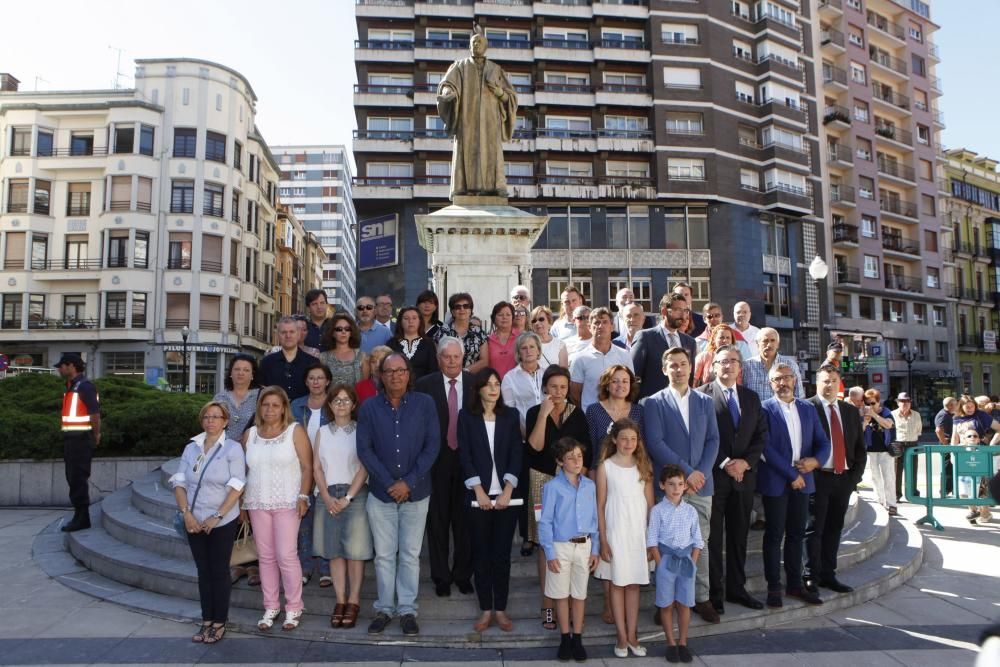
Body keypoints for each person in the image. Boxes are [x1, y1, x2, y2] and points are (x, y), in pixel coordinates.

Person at [357, 353, 440, 636]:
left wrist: (408, 482)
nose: (395, 376)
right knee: (383, 555)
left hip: (417, 493)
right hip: (381, 494)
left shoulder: (424, 404)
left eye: (400, 370)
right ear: (380, 376)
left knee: (409, 555)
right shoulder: (368, 408)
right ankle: (383, 608)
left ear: (408, 374)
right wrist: (390, 482)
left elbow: (432, 446)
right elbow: (364, 449)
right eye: (389, 371)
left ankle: (407, 610)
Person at [640, 346, 720, 624]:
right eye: (672, 365)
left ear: (690, 367)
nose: (678, 369)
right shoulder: (652, 403)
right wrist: (687, 473)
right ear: (664, 369)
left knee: (701, 544)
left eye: (683, 364)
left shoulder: (705, 402)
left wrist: (701, 474)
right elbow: (655, 443)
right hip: (669, 487)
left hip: (700, 486)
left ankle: (701, 597)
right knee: (666, 545)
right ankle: (665, 600)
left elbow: (713, 440)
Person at [696, 345, 767, 613]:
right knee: (713, 538)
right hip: (715, 477)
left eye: (733, 361)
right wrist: (726, 462)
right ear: (714, 366)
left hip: (744, 478)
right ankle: (714, 592)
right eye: (723, 362)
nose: (728, 366)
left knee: (739, 536)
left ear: (740, 367)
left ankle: (737, 589)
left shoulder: (751, 397)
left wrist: (745, 463)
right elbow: (702, 437)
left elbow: (760, 435)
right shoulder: (701, 396)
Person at [170, 401, 245, 644]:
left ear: (225, 421)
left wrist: (219, 515)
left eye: (216, 417)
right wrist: (186, 513)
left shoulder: (233, 448)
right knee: (203, 571)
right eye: (207, 416)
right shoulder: (192, 447)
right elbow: (179, 481)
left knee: (219, 571)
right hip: (194, 518)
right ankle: (206, 620)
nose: (211, 420)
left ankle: (220, 621)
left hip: (222, 519)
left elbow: (237, 485)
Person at [242, 386, 314, 632]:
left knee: (286, 555)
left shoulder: (295, 431)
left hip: (288, 501)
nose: (270, 409)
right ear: (259, 407)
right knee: (266, 556)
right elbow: (243, 471)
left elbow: (307, 466)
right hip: (257, 502)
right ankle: (271, 605)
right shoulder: (250, 434)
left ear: (284, 407)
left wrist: (303, 496)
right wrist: (241, 502)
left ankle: (294, 606)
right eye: (265, 404)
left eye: (275, 405)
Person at [525, 365, 592, 631]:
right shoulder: (534, 412)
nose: (559, 392)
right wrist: (543, 415)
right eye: (553, 387)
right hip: (542, 482)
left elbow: (585, 455)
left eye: (563, 387)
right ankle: (548, 606)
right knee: (546, 545)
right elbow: (536, 447)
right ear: (544, 388)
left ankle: (572, 607)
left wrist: (577, 483)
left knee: (570, 543)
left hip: (571, 485)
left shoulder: (578, 415)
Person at [758, 363, 830, 608]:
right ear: (771, 384)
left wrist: (816, 461)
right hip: (777, 481)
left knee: (797, 535)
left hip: (804, 481)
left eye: (787, 378)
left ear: (795, 381)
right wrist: (791, 474)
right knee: (774, 535)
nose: (783, 383)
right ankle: (774, 587)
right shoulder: (764, 409)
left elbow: (823, 442)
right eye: (778, 379)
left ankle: (795, 584)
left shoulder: (808, 408)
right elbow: (765, 448)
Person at [458, 368, 523, 633]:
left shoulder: (510, 416)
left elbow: (517, 453)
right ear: (479, 389)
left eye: (497, 384)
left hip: (507, 498)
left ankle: (502, 610)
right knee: (481, 554)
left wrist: (508, 489)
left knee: (502, 555)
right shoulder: (466, 417)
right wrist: (479, 491)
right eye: (489, 384)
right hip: (478, 498)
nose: (494, 388)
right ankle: (486, 609)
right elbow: (465, 455)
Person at [414, 337, 474, 599]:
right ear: (438, 359)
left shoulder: (475, 384)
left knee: (465, 523)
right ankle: (440, 576)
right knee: (437, 522)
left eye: (456, 357)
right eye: (446, 357)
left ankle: (462, 575)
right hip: (435, 461)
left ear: (463, 358)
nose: (451, 362)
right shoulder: (423, 386)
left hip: (467, 460)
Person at [312, 384, 372, 630]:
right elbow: (316, 467)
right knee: (334, 551)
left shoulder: (361, 431)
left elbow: (364, 466)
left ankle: (354, 601)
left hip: (355, 494)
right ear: (330, 405)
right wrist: (325, 496)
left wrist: (347, 497)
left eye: (346, 400)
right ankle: (340, 601)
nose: (341, 404)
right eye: (336, 400)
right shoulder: (322, 432)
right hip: (327, 494)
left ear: (354, 404)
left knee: (355, 552)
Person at [804, 364, 867, 596]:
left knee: (834, 529)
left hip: (843, 479)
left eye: (833, 380)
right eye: (824, 380)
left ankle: (828, 574)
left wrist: (853, 479)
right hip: (818, 478)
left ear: (839, 383)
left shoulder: (850, 411)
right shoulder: (807, 407)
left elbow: (860, 449)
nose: (829, 384)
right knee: (814, 529)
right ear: (816, 383)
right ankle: (810, 575)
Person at [594, 418, 653, 658]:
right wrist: (603, 540)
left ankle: (633, 634)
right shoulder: (605, 467)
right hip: (615, 531)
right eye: (624, 438)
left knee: (633, 584)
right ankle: (620, 635)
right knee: (617, 584)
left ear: (638, 442)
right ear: (614, 440)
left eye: (633, 438)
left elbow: (650, 505)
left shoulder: (644, 466)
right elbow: (600, 505)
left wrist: (652, 539)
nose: (628, 443)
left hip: (638, 532)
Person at [538, 437, 599, 663]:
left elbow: (595, 519)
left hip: (584, 545)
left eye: (579, 456)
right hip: (561, 546)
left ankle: (578, 638)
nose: (576, 460)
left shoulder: (590, 486)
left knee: (580, 594)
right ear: (560, 461)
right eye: (570, 457)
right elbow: (545, 522)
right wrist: (550, 553)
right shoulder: (552, 487)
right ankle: (565, 637)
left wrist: (596, 549)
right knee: (561, 595)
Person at [436, 28, 517, 198]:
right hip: (468, 119)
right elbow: (447, 83)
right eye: (473, 42)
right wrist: (446, 93)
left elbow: (511, 97)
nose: (476, 44)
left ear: (485, 46)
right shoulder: (460, 66)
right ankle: (464, 188)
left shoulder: (496, 69)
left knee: (492, 152)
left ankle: (495, 188)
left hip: (490, 122)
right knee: (466, 151)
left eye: (479, 42)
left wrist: (499, 93)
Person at [647, 464, 704, 665]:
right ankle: (670, 643)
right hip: (666, 561)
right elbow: (652, 539)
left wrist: (693, 562)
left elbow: (698, 540)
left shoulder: (691, 511)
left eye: (680, 484)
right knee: (667, 603)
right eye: (671, 484)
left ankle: (682, 642)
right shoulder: (657, 511)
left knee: (684, 603)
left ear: (685, 487)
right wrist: (661, 563)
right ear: (662, 485)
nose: (676, 488)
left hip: (686, 562)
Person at [290, 363, 333, 588]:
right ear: (306, 382)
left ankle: (326, 568)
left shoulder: (336, 404)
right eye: (311, 378)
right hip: (301, 469)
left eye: (320, 378)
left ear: (327, 381)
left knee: (325, 520)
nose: (316, 382)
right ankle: (305, 567)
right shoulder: (295, 405)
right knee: (304, 521)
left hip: (329, 470)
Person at [55, 354, 100, 532]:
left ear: (72, 366)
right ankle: (79, 515)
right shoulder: (72, 387)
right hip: (72, 439)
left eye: (62, 366)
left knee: (78, 478)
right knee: (73, 478)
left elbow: (95, 414)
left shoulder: (85, 387)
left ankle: (82, 518)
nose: (60, 369)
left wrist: (96, 435)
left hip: (81, 439)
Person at [631, 293, 697, 399]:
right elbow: (633, 375)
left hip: (682, 404)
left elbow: (689, 377)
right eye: (678, 310)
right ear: (664, 311)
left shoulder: (690, 342)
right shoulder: (645, 337)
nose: (683, 315)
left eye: (685, 310)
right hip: (652, 404)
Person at [569, 307, 633, 412]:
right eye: (597, 322)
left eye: (605, 322)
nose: (600, 326)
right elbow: (575, 393)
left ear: (612, 327)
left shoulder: (624, 355)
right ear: (589, 327)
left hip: (619, 416)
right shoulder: (580, 358)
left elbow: (630, 386)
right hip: (590, 418)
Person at [951, 394, 1000, 524]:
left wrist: (991, 445)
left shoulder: (981, 415)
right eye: (967, 407)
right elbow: (954, 437)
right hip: (963, 454)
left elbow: (999, 428)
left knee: (981, 485)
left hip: (981, 453)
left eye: (972, 406)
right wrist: (952, 452)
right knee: (964, 485)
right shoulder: (956, 418)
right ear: (961, 407)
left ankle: (985, 512)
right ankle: (972, 510)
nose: (970, 409)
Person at [585, 365, 643, 470]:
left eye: (625, 381)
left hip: (632, 471)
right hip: (602, 472)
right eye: (615, 381)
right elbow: (591, 449)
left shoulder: (639, 411)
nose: (620, 385)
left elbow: (642, 448)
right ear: (606, 385)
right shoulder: (594, 410)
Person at [740, 328, 804, 401]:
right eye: (765, 341)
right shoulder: (747, 366)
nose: (769, 344)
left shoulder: (790, 365)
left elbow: (799, 396)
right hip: (754, 412)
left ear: (778, 344)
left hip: (782, 412)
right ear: (757, 344)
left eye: (773, 340)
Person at [259, 317, 314, 401]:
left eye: (292, 332)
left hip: (303, 412)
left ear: (298, 334)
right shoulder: (267, 363)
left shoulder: (312, 363)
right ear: (278, 335)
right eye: (283, 332)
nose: (288, 336)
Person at [501, 332, 546, 434]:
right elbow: (509, 412)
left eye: (532, 347)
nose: (528, 351)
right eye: (524, 348)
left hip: (550, 432)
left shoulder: (547, 373)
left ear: (538, 350)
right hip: (524, 435)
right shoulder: (509, 378)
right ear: (518, 353)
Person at [863, 388, 897, 516]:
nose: (870, 406)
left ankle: (891, 504)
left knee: (888, 477)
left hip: (885, 450)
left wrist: (874, 415)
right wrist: (865, 421)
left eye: (872, 403)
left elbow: (888, 425)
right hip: (871, 450)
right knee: (875, 477)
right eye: (867, 403)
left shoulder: (886, 412)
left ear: (878, 402)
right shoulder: (864, 413)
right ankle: (880, 501)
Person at [213, 354, 262, 442]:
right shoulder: (220, 398)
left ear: (252, 375)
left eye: (246, 370)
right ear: (231, 373)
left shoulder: (261, 396)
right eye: (237, 369)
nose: (241, 373)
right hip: (224, 450)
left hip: (251, 448)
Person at [441, 292, 490, 372]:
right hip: (447, 378)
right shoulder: (442, 332)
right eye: (457, 307)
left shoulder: (479, 333)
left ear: (471, 310)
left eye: (466, 306)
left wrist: (464, 372)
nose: (462, 309)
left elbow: (484, 361)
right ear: (452, 311)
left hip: (472, 379)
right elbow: (437, 358)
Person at [388, 306, 439, 380]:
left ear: (420, 321)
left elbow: (433, 370)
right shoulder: (392, 343)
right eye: (406, 318)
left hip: (423, 388)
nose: (410, 321)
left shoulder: (428, 344)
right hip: (396, 386)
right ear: (400, 322)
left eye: (414, 318)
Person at [319, 313, 369, 388]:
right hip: (330, 399)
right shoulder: (323, 357)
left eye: (347, 329)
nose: (343, 332)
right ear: (332, 333)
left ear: (351, 332)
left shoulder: (361, 356)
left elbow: (364, 386)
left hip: (355, 399)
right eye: (339, 329)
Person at [892, 392, 924, 502]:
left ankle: (913, 493)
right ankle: (896, 494)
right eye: (902, 401)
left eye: (907, 401)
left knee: (912, 470)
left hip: (912, 444)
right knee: (896, 471)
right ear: (897, 403)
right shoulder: (892, 414)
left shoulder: (916, 415)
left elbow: (919, 430)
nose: (905, 403)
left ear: (910, 403)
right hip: (898, 444)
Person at [487, 301, 519, 379]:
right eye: (500, 315)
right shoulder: (487, 340)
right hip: (495, 385)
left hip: (516, 385)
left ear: (513, 318)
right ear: (494, 318)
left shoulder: (521, 337)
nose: (504, 317)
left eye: (508, 315)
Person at [530, 305, 568, 369]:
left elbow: (563, 372)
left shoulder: (560, 345)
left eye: (541, 319)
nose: (537, 323)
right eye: (534, 321)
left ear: (549, 321)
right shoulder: (528, 345)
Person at [935, 396, 957, 495]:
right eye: (955, 404)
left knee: (950, 467)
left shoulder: (948, 414)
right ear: (950, 405)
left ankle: (949, 489)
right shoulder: (943, 415)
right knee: (947, 468)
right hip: (946, 445)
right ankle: (945, 490)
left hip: (948, 444)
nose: (956, 406)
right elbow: (938, 430)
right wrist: (944, 442)